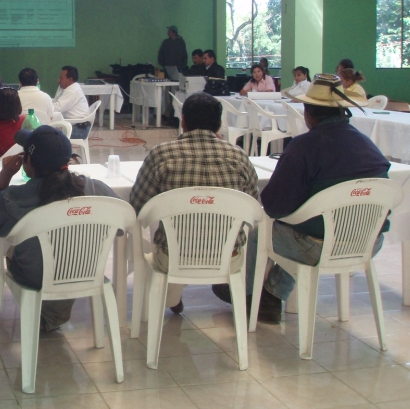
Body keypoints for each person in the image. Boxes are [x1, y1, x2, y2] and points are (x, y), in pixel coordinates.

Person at [234, 75, 389, 324]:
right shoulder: (368, 145)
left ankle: (249, 297)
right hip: (370, 241)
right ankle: (273, 294)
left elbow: (274, 206)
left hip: (318, 246)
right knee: (308, 225)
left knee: (262, 230)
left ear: (308, 113)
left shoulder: (303, 147)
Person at [129, 93, 259, 313]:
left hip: (173, 257)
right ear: (219, 124)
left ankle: (170, 298)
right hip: (228, 257)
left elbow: (137, 207)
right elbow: (253, 209)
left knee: (162, 243)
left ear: (183, 121)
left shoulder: (161, 155)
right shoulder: (238, 157)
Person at [0, 125, 119, 331]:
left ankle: (51, 313)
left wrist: (3, 179)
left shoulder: (13, 198)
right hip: (86, 272)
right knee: (69, 248)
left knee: (17, 251)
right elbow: (121, 227)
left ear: (28, 162)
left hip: (36, 276)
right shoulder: (96, 189)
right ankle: (54, 312)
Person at [53, 66, 91, 138]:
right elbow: (55, 101)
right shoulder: (64, 87)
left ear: (70, 79)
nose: (58, 80)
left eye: (61, 78)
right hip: (73, 124)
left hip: (79, 129)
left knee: (48, 134)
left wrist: (44, 104)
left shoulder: (72, 90)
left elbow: (57, 108)